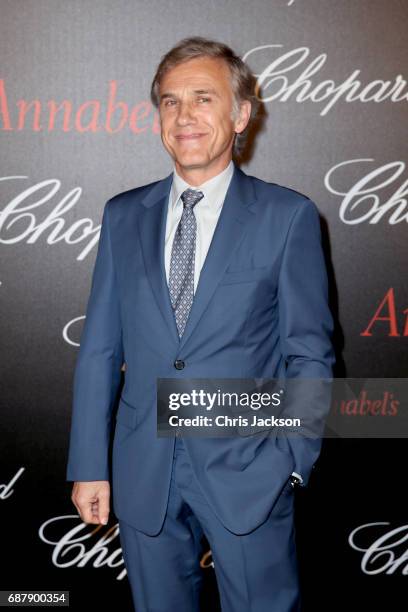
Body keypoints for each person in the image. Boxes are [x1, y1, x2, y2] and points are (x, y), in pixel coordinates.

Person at [66, 36, 335, 612]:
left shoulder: (288, 218)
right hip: (143, 472)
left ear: (240, 115)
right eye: (169, 101)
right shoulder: (122, 215)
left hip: (249, 473)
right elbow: (99, 350)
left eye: (202, 98)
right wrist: (90, 466)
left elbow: (308, 353)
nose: (184, 115)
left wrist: (291, 461)